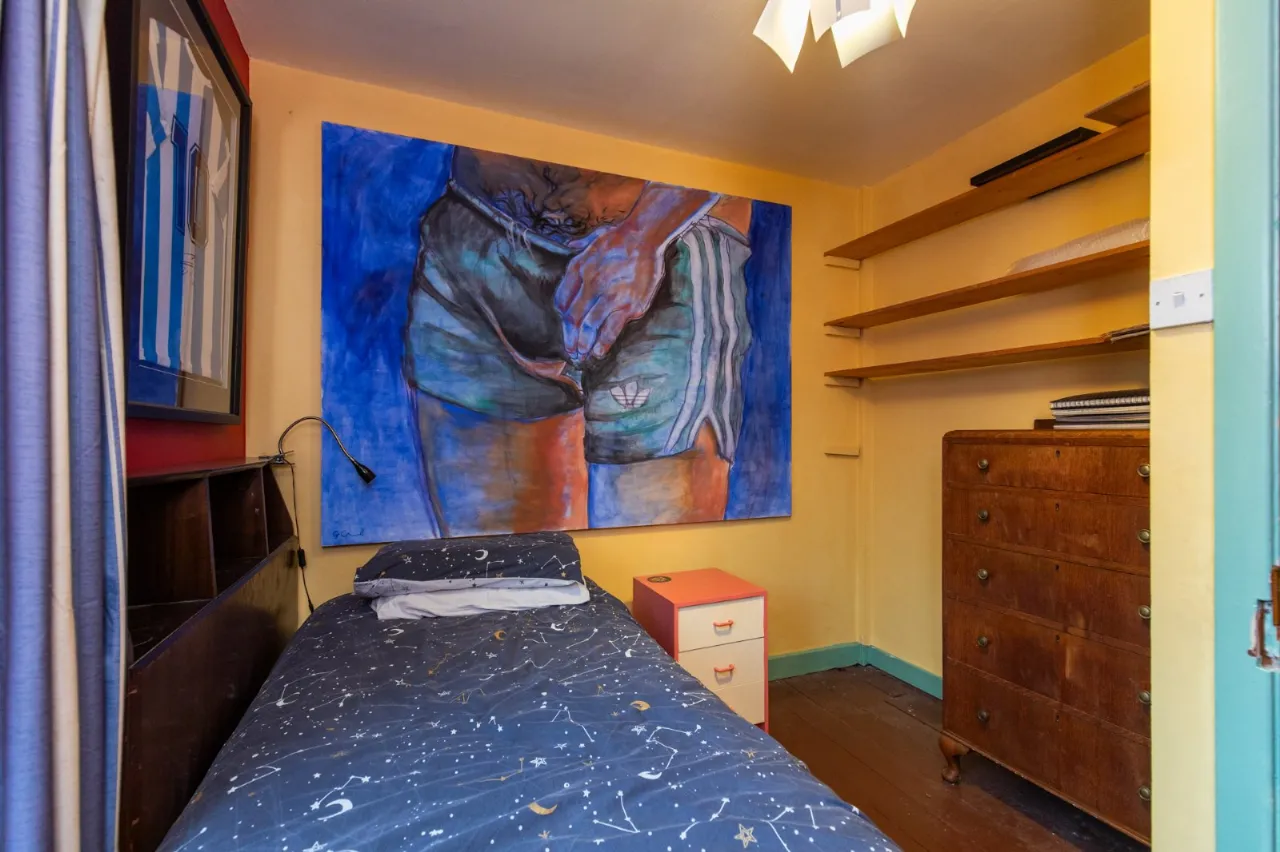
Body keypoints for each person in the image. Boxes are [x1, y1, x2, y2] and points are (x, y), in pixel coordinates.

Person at [403, 147, 753, 536]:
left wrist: (644, 233)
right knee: (498, 564)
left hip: (655, 250)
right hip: (475, 247)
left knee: (663, 560)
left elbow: (732, 139)